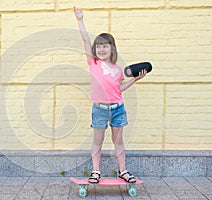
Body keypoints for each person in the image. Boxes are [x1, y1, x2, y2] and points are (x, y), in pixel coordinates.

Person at [74, 6, 147, 184]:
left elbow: (118, 89)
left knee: (118, 142)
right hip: (99, 109)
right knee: (97, 141)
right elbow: (84, 39)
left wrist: (135, 80)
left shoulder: (117, 69)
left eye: (105, 46)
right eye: (98, 46)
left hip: (118, 109)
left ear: (112, 48)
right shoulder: (93, 63)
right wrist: (80, 20)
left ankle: (123, 171)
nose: (101, 49)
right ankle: (95, 171)